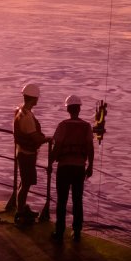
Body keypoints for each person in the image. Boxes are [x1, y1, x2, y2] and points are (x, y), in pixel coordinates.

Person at [50, 95, 94, 242]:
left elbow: (56, 148)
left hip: (64, 168)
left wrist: (50, 164)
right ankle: (77, 232)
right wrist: (91, 166)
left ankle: (59, 232)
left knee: (61, 201)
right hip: (79, 168)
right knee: (77, 200)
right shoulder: (87, 126)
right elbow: (90, 148)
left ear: (68, 109)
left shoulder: (63, 125)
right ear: (79, 109)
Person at [13, 83, 50, 223]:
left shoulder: (20, 111)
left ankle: (21, 208)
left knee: (24, 182)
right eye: (37, 97)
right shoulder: (27, 118)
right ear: (34, 99)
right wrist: (47, 139)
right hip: (27, 154)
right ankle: (20, 212)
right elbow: (35, 138)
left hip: (21, 151)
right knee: (26, 183)